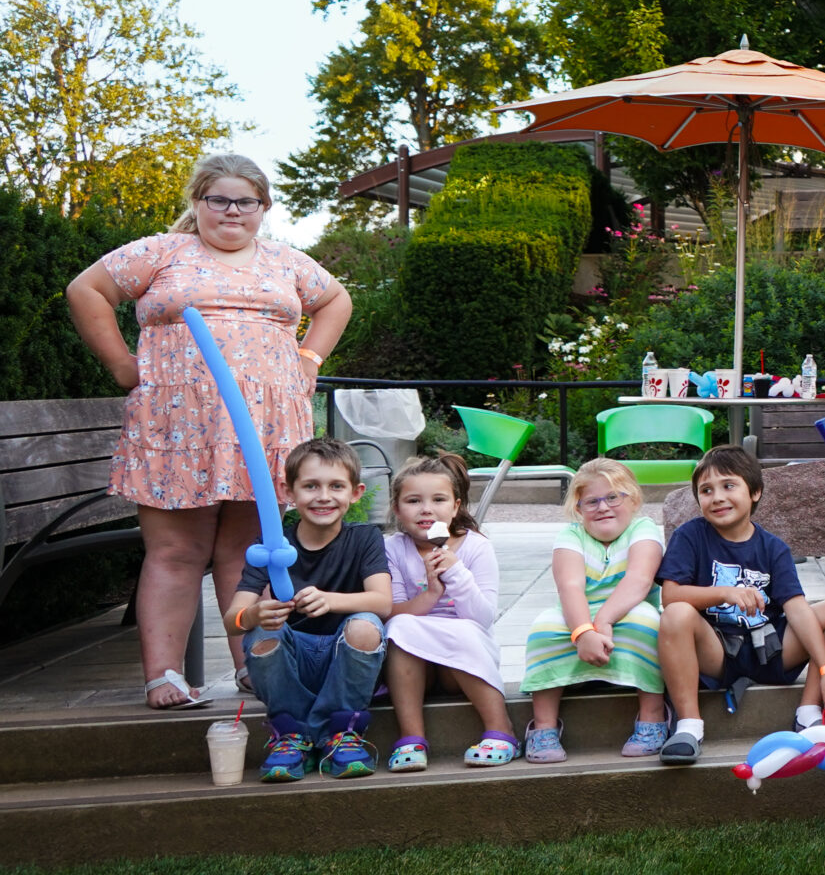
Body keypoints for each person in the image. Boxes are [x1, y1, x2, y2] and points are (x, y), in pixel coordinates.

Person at [65, 152, 350, 707]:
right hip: (179, 426)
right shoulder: (163, 251)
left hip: (265, 426)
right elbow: (86, 290)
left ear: (263, 208)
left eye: (247, 201)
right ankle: (165, 676)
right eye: (218, 199)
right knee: (176, 550)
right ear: (197, 203)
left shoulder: (285, 261)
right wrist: (123, 365)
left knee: (251, 550)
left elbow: (336, 299)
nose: (232, 211)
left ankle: (255, 667)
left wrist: (310, 358)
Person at [654, 445, 825, 766]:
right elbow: (671, 596)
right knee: (676, 614)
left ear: (755, 492)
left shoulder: (773, 547)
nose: (717, 497)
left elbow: (797, 609)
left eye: (728, 486)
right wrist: (724, 593)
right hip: (718, 652)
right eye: (706, 490)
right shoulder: (690, 536)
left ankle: (808, 713)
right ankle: (689, 727)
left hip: (771, 649)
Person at [230, 437, 391, 783]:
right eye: (310, 486)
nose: (323, 496)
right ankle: (290, 735)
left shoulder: (364, 538)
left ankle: (340, 731)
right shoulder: (270, 546)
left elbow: (382, 601)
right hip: (292, 663)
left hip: (344, 660)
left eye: (336, 486)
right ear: (290, 492)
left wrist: (331, 599)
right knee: (263, 632)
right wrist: (254, 615)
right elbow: (234, 619)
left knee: (367, 624)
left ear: (356, 492)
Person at [521, 458, 666, 764]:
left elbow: (639, 580)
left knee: (648, 625)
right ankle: (544, 726)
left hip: (629, 606)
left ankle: (653, 716)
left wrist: (604, 621)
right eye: (592, 501)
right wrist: (583, 630)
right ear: (579, 508)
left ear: (634, 499)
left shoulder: (644, 528)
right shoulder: (571, 536)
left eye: (613, 497)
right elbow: (570, 588)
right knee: (543, 630)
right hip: (579, 612)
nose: (603, 507)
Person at [380, 451, 512, 772]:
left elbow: (482, 618)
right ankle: (411, 738)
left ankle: (501, 729)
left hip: (462, 664)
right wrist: (432, 591)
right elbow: (391, 612)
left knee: (465, 629)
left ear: (455, 507)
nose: (426, 509)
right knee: (400, 629)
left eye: (438, 499)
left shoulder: (476, 547)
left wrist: (456, 573)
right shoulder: (392, 548)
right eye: (413, 501)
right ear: (397, 509)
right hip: (416, 667)